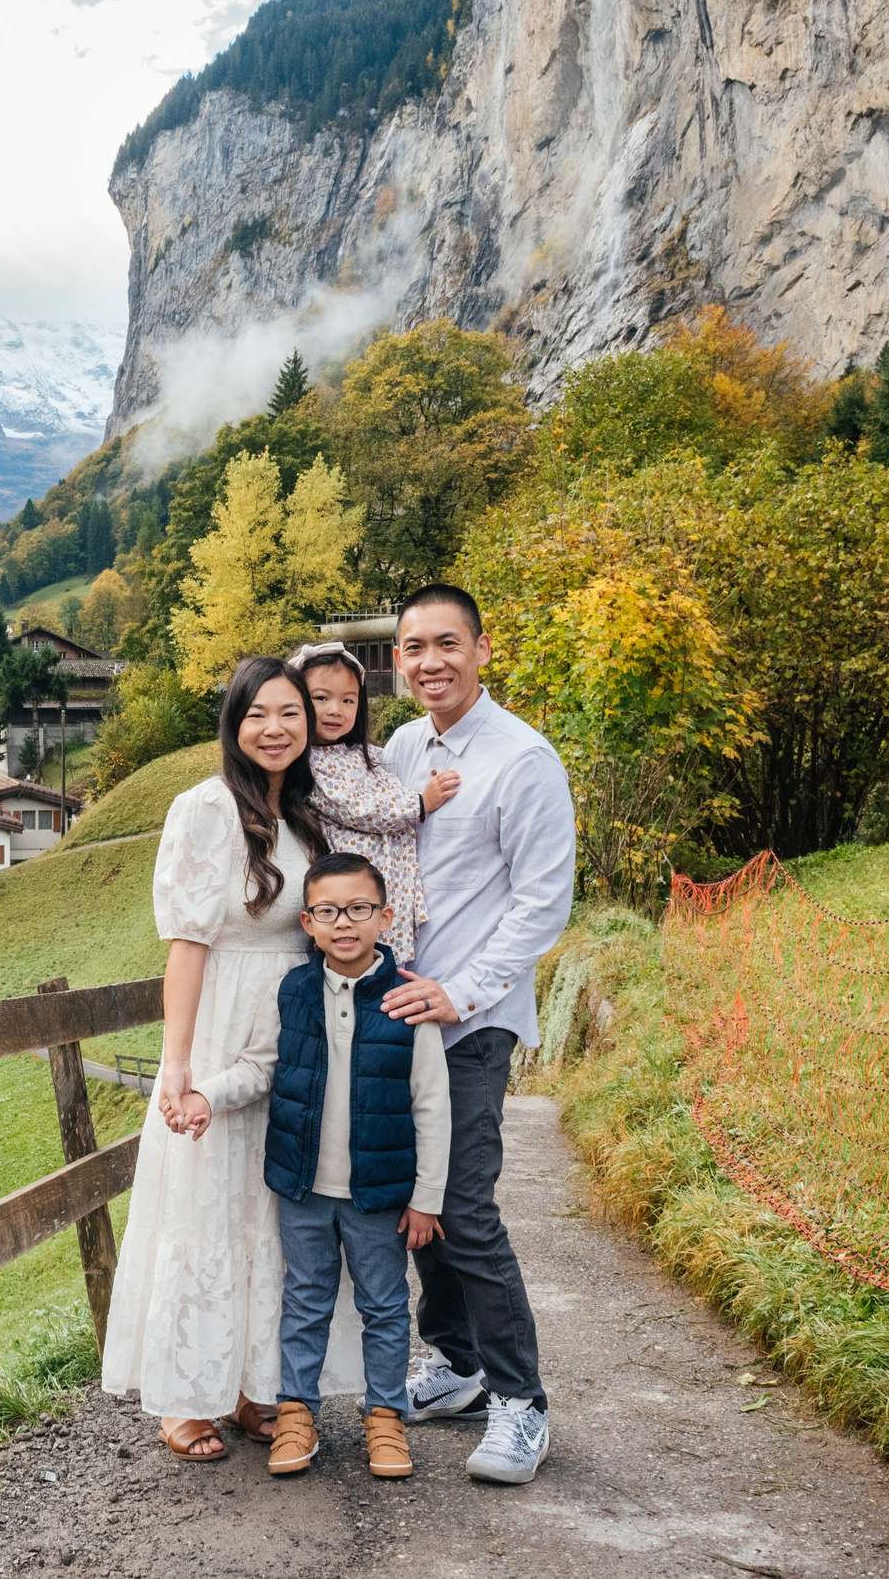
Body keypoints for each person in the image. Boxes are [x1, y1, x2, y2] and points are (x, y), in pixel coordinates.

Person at [375, 582, 576, 1485]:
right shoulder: (403, 747)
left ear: (483, 649)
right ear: (398, 660)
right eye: (414, 647)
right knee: (418, 1207)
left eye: (447, 643)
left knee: (464, 1206)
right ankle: (454, 1362)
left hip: (471, 1021)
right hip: (401, 1018)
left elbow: (543, 903)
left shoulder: (523, 759)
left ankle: (522, 1401)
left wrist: (462, 991)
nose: (430, 661)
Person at [104, 656, 328, 1461]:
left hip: (291, 1031)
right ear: (233, 724)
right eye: (258, 714)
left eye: (291, 713)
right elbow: (187, 945)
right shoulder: (202, 809)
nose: (276, 728)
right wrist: (177, 1063)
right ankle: (184, 1393)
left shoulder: (304, 812)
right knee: (204, 1203)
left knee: (270, 1210)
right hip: (220, 1021)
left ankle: (248, 1384)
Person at [246, 851, 450, 1480]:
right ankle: (297, 1414)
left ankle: (386, 1418)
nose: (344, 924)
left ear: (384, 917)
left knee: (384, 1306)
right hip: (304, 1188)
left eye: (359, 909)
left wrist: (427, 1198)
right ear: (307, 922)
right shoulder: (294, 990)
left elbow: (432, 1103)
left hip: (380, 1196)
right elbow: (263, 1066)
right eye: (328, 912)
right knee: (304, 1299)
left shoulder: (406, 999)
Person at [292, 642, 461, 965]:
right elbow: (358, 808)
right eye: (321, 698)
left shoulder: (363, 753)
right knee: (359, 957)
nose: (335, 710)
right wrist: (420, 803)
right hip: (354, 888)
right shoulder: (309, 764)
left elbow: (391, 778)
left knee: (390, 963)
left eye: (348, 700)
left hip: (390, 879)